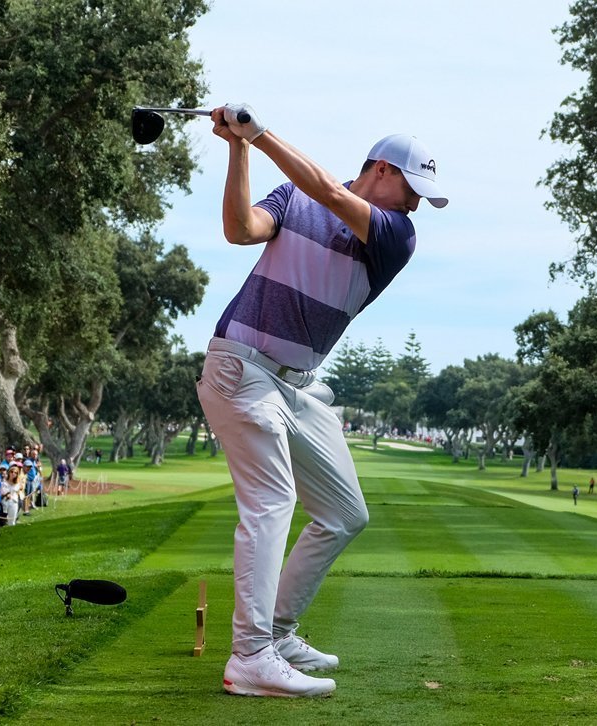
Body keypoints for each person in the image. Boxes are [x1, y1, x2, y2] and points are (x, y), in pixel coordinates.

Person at [195, 104, 445, 699]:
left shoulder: (394, 236)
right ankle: (251, 656)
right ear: (382, 170)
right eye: (412, 189)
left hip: (297, 388)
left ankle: (277, 634)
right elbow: (240, 230)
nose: (415, 205)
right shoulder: (292, 197)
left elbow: (331, 191)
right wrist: (238, 149)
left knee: (344, 513)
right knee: (273, 501)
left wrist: (256, 134)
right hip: (242, 368)